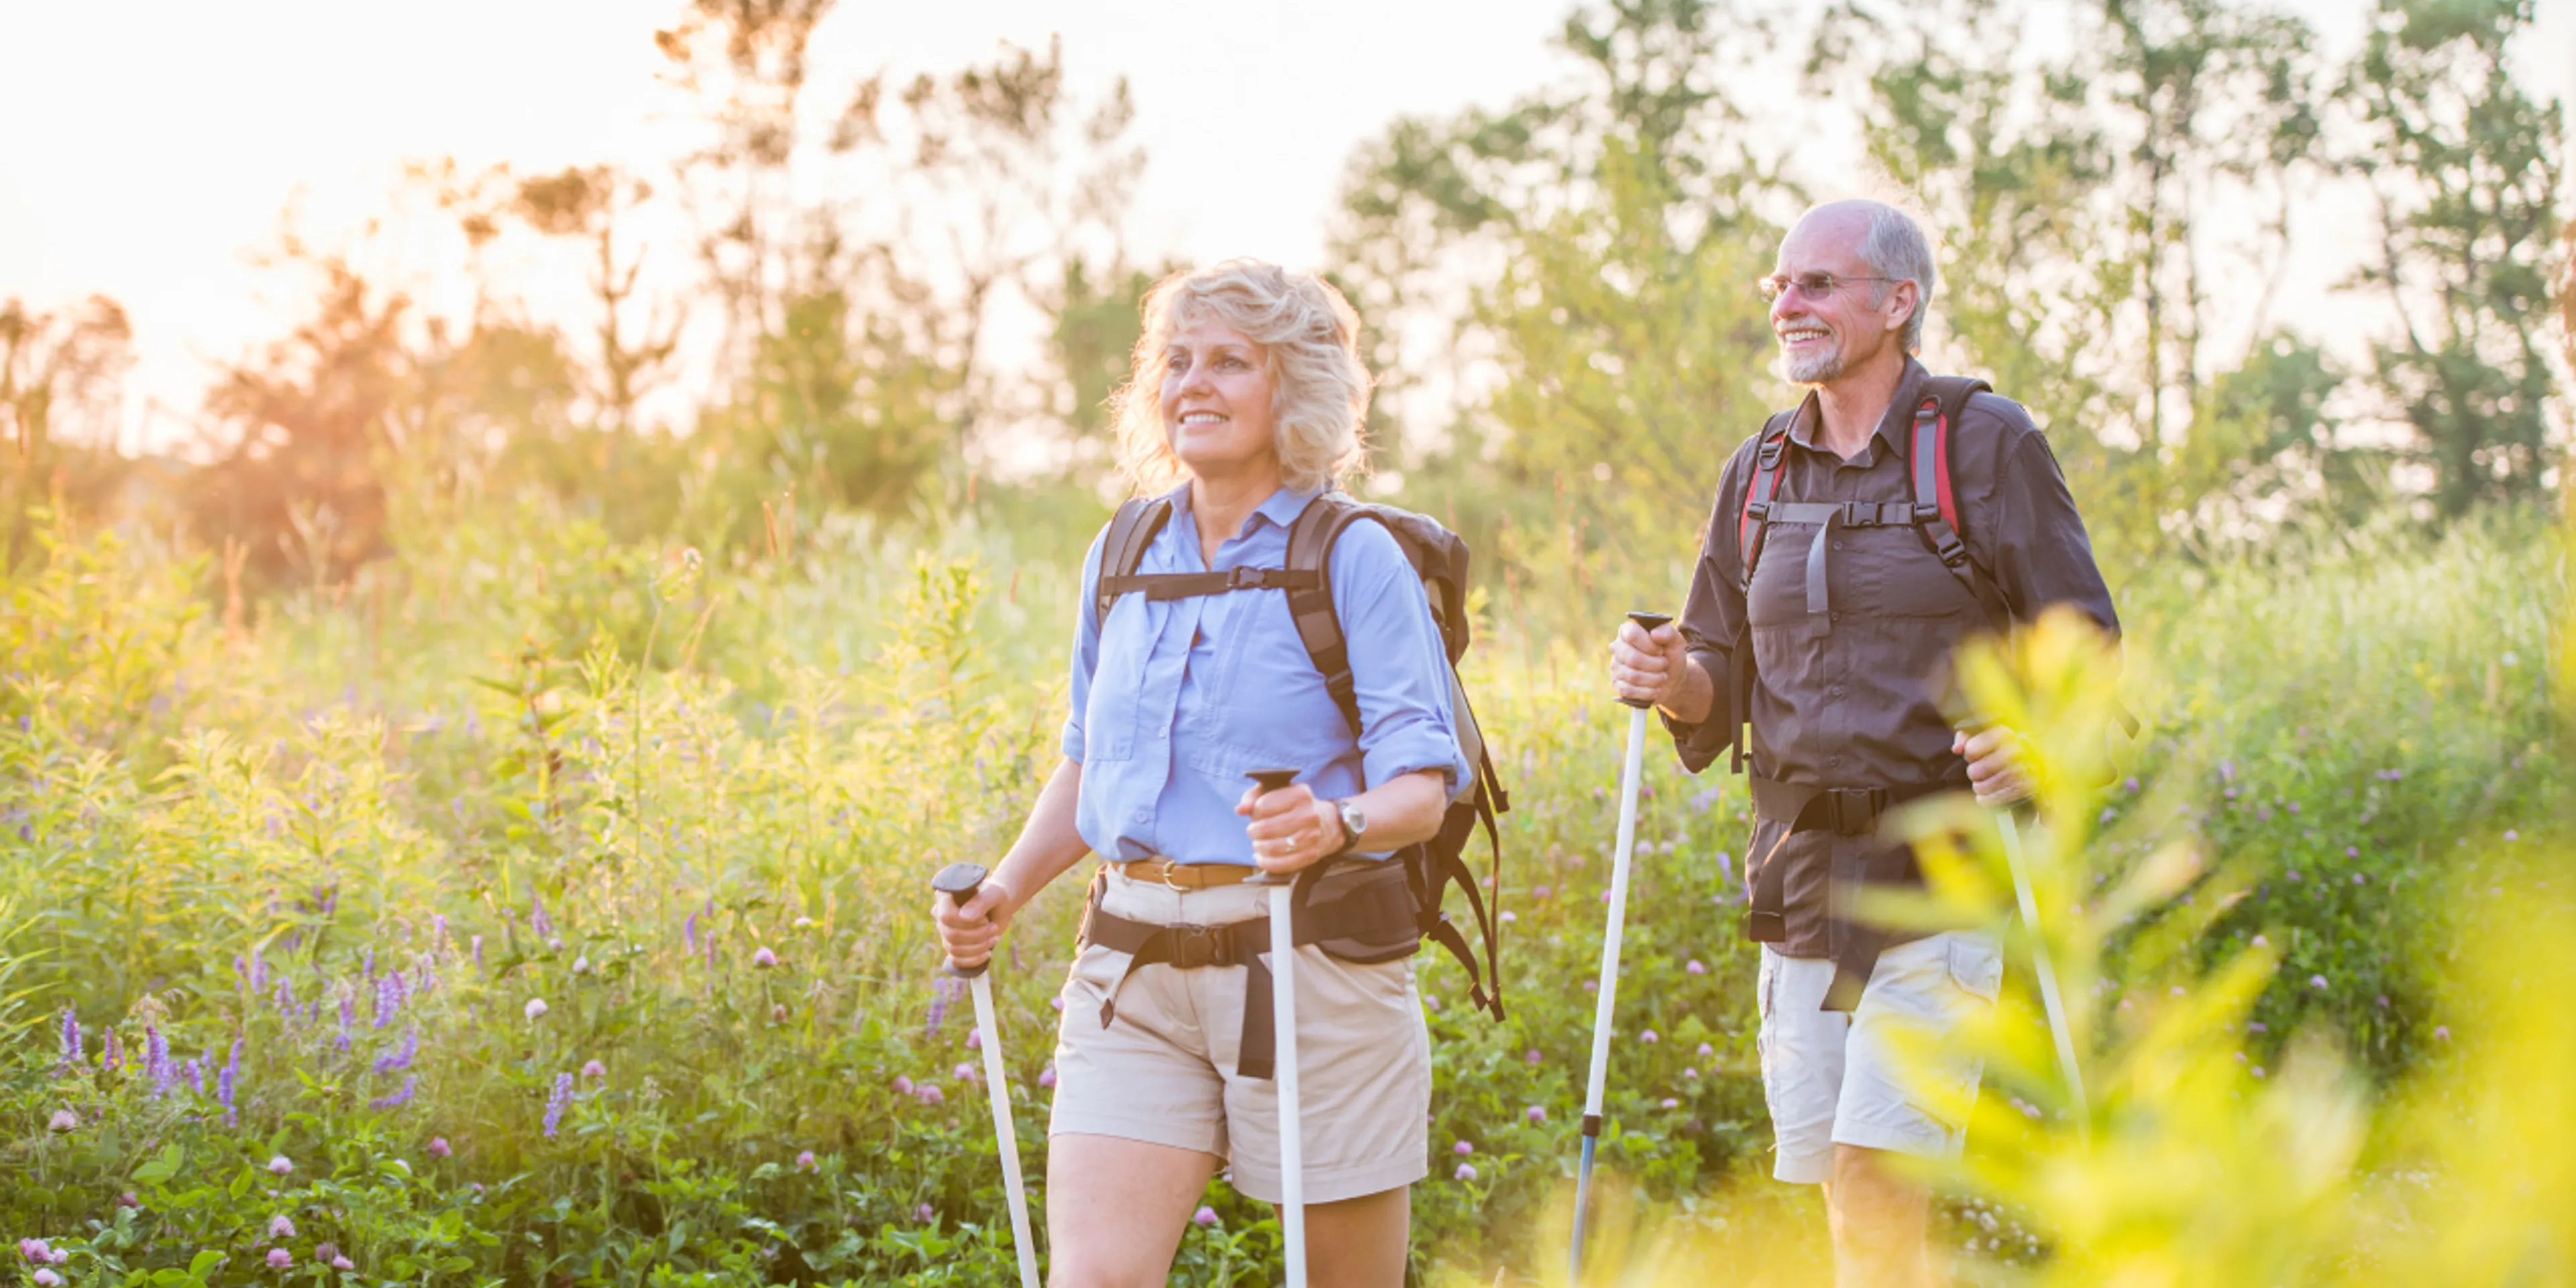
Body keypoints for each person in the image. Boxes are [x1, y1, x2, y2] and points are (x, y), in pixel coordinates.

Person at [1607, 199, 2119, 1287]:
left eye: (1818, 285)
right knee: (1846, 1189)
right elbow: (1717, 674)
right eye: (1781, 287)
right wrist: (1667, 678)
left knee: (1877, 1173)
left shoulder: (1987, 443)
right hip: (1795, 880)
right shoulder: (1757, 471)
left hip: (1942, 870)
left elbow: (2083, 644)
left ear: (1901, 302)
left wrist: (2034, 739)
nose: (1788, 305)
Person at [932, 260, 1468, 1288]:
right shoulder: (1123, 548)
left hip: (1309, 963)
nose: (1194, 385)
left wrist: (1333, 823)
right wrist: (1004, 890)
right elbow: (1090, 764)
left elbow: (1421, 788)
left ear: (1296, 389)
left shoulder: (1352, 555)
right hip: (1131, 967)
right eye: (1176, 362)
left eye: (1230, 362)